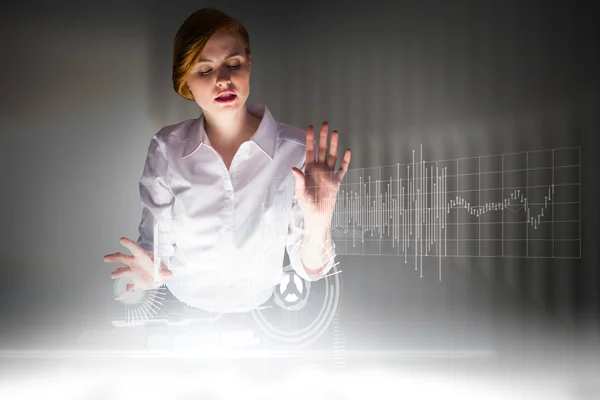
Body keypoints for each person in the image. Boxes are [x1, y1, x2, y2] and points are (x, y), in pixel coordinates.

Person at [103, 7, 351, 313]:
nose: (222, 79)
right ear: (186, 83)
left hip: (264, 314)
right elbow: (155, 246)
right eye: (205, 70)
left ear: (249, 64)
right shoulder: (167, 148)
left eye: (233, 64)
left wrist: (319, 222)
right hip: (183, 313)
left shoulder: (298, 152)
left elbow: (311, 269)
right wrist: (149, 268)